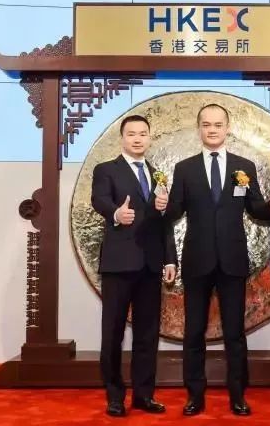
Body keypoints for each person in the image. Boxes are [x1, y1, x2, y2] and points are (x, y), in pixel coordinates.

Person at [164, 104, 270, 416]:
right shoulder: (185, 168)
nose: (212, 130)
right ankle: (195, 395)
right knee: (194, 332)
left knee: (234, 333)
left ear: (227, 128)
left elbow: (255, 208)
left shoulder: (244, 166)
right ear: (199, 129)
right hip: (196, 260)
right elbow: (175, 211)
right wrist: (162, 205)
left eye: (218, 124)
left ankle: (238, 395)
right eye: (206, 125)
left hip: (232, 260)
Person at [90, 114, 178, 417]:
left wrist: (170, 258)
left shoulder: (158, 175)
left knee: (147, 335)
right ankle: (114, 396)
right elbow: (99, 199)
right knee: (112, 333)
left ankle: (144, 395)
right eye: (131, 134)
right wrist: (116, 214)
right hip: (118, 264)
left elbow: (164, 221)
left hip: (151, 266)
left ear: (150, 138)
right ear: (122, 138)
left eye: (143, 134)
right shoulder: (106, 170)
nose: (137, 139)